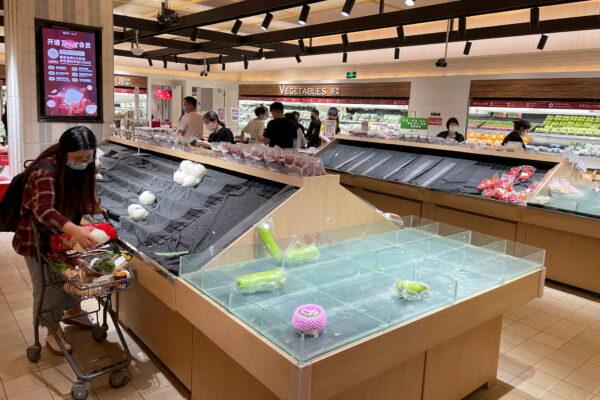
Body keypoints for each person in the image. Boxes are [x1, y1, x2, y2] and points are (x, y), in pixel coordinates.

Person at [13, 126, 100, 355]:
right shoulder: (44, 172)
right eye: (77, 158)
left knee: (71, 277)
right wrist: (76, 231)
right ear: (63, 154)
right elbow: (43, 210)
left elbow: (72, 198)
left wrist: (91, 206)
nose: (83, 162)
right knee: (47, 287)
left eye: (88, 158)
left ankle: (72, 312)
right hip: (37, 239)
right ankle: (52, 331)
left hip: (61, 237)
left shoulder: (81, 169)